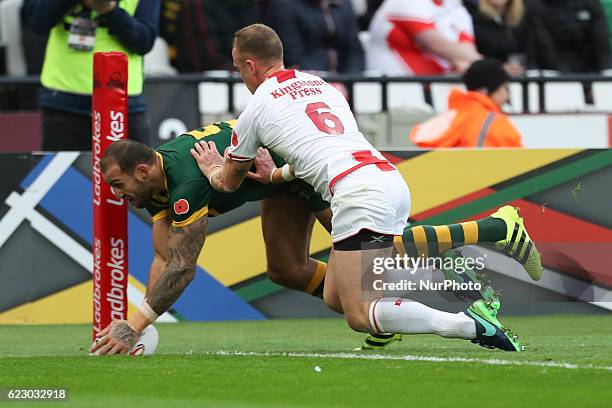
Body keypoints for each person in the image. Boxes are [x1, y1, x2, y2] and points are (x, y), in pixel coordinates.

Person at [185, 24, 543, 353]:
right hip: (385, 178)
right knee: (334, 294)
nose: (239, 75)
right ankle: (491, 238)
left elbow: (229, 182)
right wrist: (276, 177)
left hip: (357, 194)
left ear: (249, 65)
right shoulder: (324, 87)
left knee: (358, 314)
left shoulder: (257, 108)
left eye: (236, 67)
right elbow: (323, 148)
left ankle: (471, 320)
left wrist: (213, 166)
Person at [90, 118, 542, 354]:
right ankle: (370, 306)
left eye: (116, 184)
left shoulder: (185, 183)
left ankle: (499, 228)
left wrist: (137, 325)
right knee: (286, 269)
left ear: (143, 169)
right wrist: (136, 321)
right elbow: (164, 257)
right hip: (271, 179)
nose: (116, 194)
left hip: (296, 170)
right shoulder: (150, 186)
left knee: (382, 249)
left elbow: (183, 268)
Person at [24, 0, 160, 150]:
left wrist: (109, 10)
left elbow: (144, 40)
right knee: (64, 172)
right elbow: (36, 23)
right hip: (63, 99)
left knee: (132, 171)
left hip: (122, 102)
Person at [410, 59, 523, 148]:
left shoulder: (448, 118)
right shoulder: (495, 123)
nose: (506, 96)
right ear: (485, 91)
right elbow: (520, 162)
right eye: (505, 88)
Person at [365, 0, 481, 75]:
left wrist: (470, 62)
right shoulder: (403, 2)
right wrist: (492, 67)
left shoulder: (454, 5)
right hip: (394, 91)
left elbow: (466, 48)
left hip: (436, 88)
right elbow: (439, 46)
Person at [264, 0, 365, 74]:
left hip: (345, 82)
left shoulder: (344, 5)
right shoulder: (284, 5)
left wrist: (348, 82)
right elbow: (292, 56)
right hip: (305, 84)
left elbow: (355, 51)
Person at [463, 0, 557, 73]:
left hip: (523, 76)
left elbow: (541, 52)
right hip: (488, 80)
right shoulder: (470, 16)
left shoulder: (528, 16)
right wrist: (499, 68)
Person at [540, 0, 612, 73]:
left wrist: (607, 70)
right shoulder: (538, 5)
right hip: (550, 72)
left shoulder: (591, 3)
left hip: (589, 70)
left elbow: (601, 44)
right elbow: (544, 47)